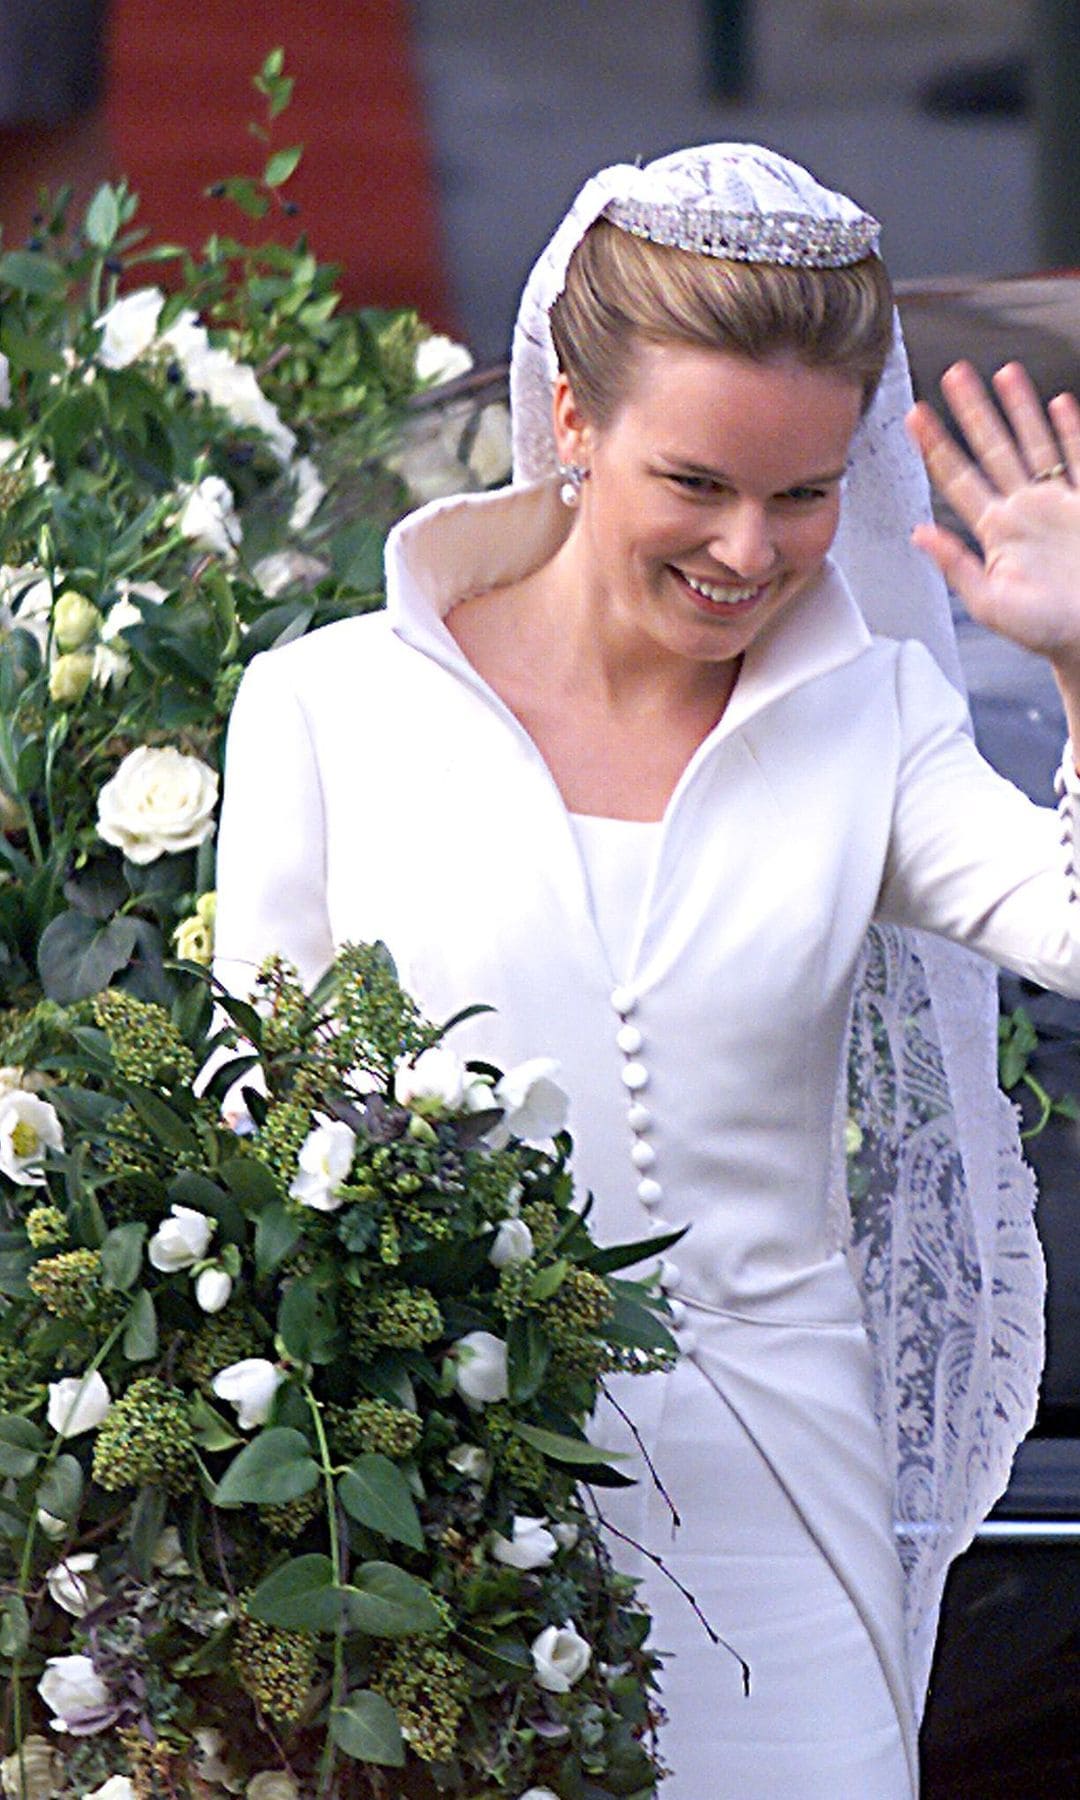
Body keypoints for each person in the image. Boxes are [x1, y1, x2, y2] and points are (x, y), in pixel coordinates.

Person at [213, 144, 1080, 1798]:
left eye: (806, 494)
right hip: (441, 1522)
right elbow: (250, 1119)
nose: (751, 551)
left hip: (783, 1522)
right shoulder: (325, 707)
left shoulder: (878, 716)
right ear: (571, 419)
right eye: (699, 482)